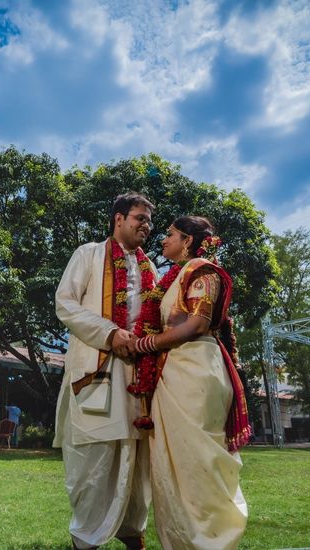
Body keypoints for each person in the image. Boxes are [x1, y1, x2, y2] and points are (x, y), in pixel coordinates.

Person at [128, 216, 251, 549]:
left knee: (198, 462)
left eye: (169, 235)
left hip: (197, 369)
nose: (163, 240)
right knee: (173, 465)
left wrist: (145, 345)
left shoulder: (203, 270)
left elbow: (198, 324)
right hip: (174, 371)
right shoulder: (172, 278)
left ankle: (211, 543)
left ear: (188, 240)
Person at [54, 192, 156, 550]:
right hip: (95, 371)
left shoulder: (151, 269)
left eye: (149, 220)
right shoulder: (88, 254)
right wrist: (110, 334)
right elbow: (64, 304)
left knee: (137, 459)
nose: (147, 225)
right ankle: (86, 540)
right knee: (93, 460)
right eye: (140, 218)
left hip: (137, 378)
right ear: (118, 218)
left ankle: (133, 534)